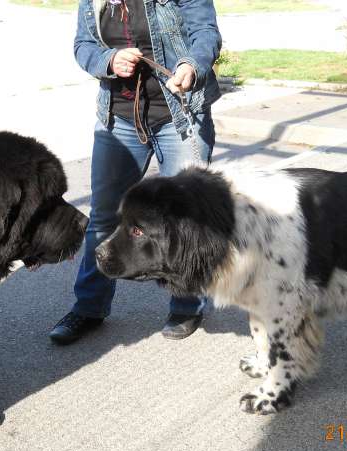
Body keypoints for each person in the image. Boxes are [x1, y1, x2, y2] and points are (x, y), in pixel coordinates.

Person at [49, 0, 222, 344]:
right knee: (103, 216)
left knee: (184, 218)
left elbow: (206, 33)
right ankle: (89, 306)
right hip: (119, 118)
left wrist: (191, 65)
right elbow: (83, 45)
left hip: (181, 115)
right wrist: (108, 60)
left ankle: (186, 304)